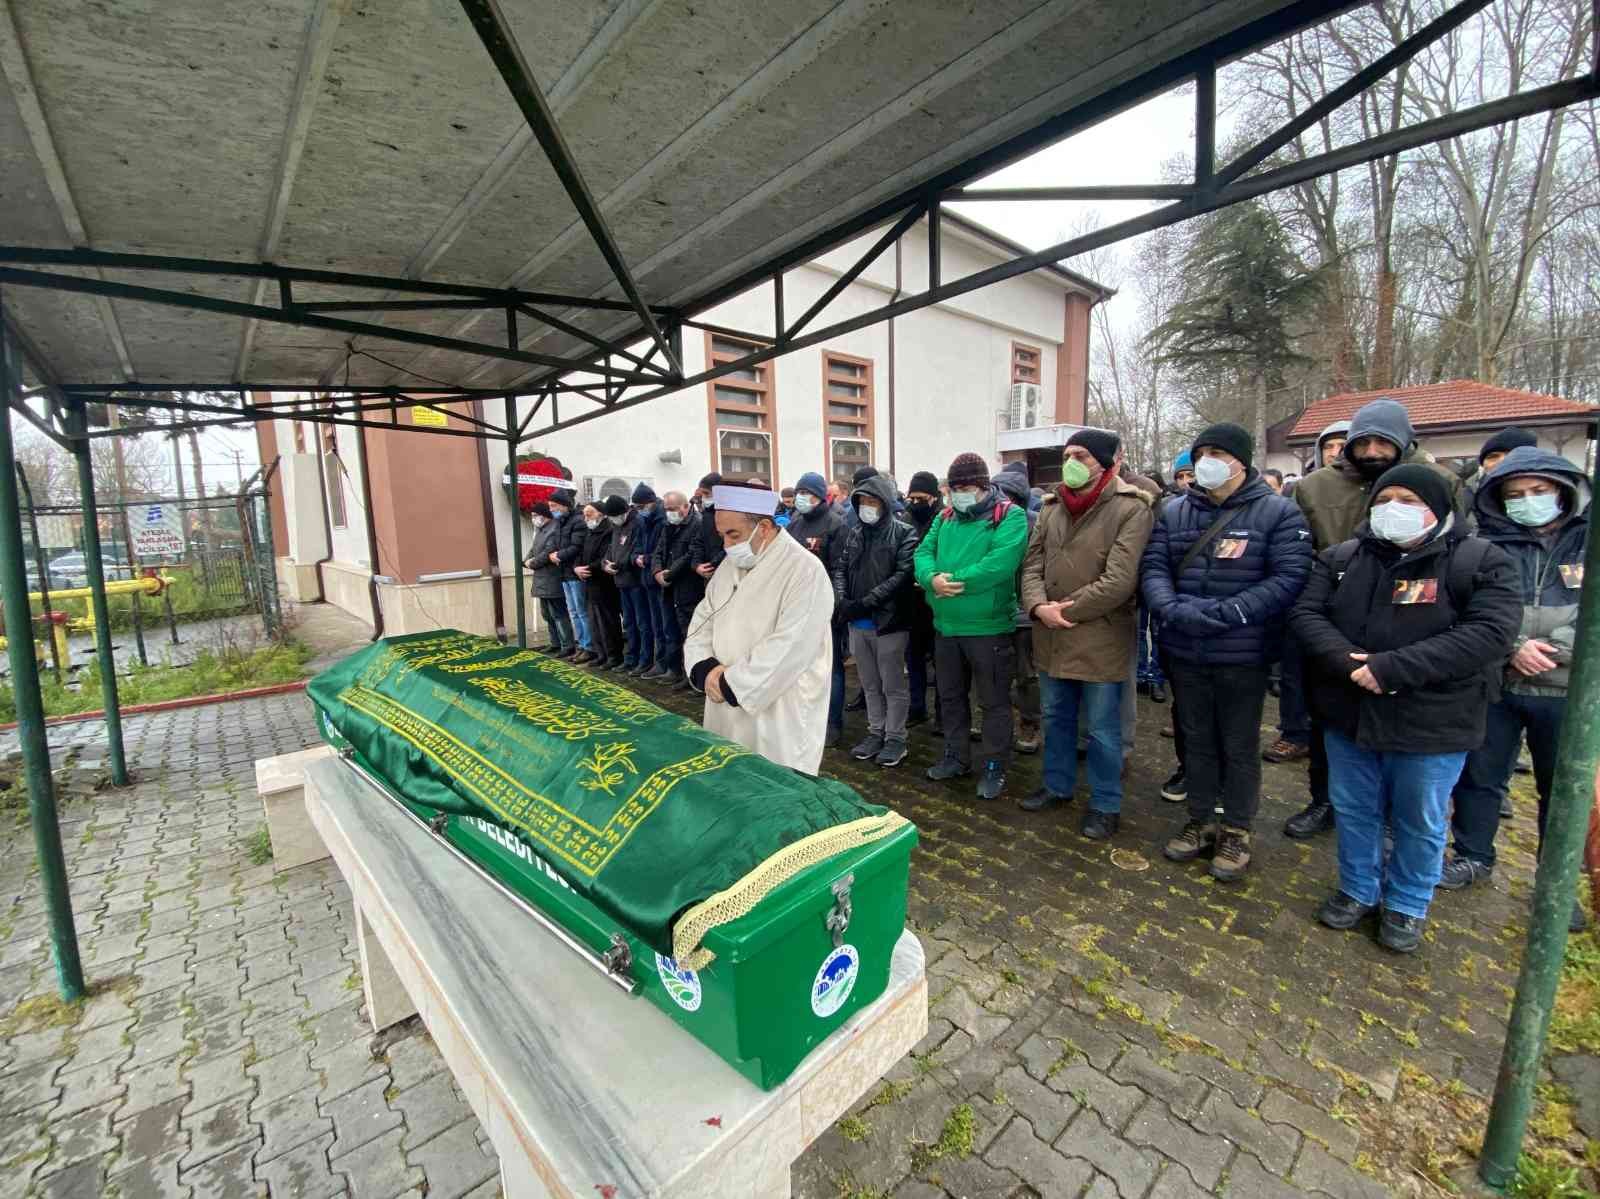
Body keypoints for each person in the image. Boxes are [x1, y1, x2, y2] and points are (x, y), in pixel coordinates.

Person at [1291, 464, 1519, 952]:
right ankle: (1357, 889)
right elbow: (1307, 614)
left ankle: (1407, 904)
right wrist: (1349, 663)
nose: (1393, 509)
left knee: (1420, 817)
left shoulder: (1479, 561)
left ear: (1438, 508)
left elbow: (1489, 634)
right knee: (1355, 808)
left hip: (1433, 721)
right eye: (1384, 498)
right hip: (1350, 712)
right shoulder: (1342, 558)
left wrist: (1390, 668)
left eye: (1409, 500)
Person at [1282, 400, 1464, 840]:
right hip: (1336, 620)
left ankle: (1394, 816)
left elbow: (1459, 546)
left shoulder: (1442, 481)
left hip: (1416, 618)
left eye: (1384, 441)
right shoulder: (1316, 486)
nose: (1373, 450)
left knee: (1405, 725)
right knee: (1329, 720)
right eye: (1363, 441)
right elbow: (1301, 551)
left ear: (1404, 441)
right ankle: (1324, 799)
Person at [1141, 423, 1312, 882]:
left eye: (1217, 453)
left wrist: (1229, 612)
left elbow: (1289, 578)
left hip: (1243, 651)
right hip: (1184, 648)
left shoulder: (1278, 513)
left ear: (1240, 460)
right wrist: (1173, 609)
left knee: (1237, 742)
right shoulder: (1175, 512)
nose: (1206, 462)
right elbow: (1154, 567)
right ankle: (1200, 818)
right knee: (1194, 737)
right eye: (1201, 453)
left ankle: (1237, 828)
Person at [1444, 446, 1591, 932]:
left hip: (1571, 686)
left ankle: (1556, 883)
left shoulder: (1589, 540)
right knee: (1481, 774)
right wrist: (1515, 645)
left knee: (1562, 790)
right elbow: (1468, 604)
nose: (1527, 501)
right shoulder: (1487, 543)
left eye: (1538, 492)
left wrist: (1558, 649)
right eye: (1516, 495)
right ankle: (1472, 854)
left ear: (1563, 491)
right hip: (1500, 676)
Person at [1020, 429, 1154, 839]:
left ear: (1104, 461)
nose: (1071, 462)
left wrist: (1065, 610)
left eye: (1080, 455)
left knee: (1102, 729)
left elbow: (1119, 581)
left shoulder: (1132, 509)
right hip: (1052, 635)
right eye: (1067, 455)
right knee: (1055, 718)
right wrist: (1039, 607)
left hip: (1100, 637)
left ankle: (1105, 803)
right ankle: (1057, 786)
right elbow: (1031, 566)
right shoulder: (1051, 506)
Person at [684, 483, 835, 774]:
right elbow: (702, 621)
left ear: (764, 527)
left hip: (776, 712)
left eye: (733, 535)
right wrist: (705, 669)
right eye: (721, 535)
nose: (726, 545)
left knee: (774, 788)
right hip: (721, 698)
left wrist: (731, 684)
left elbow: (791, 646)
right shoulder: (729, 566)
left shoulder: (805, 570)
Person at [915, 452, 1030, 801]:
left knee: (994, 702)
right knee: (950, 697)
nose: (956, 494)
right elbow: (922, 553)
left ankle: (995, 765)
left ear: (983, 487)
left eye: (964, 487)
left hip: (988, 627)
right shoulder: (945, 517)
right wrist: (930, 578)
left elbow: (999, 564)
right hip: (946, 626)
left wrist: (951, 581)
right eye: (952, 488)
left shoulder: (1010, 516)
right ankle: (956, 755)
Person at [832, 471, 918, 767]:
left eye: (872, 501)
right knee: (869, 683)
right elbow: (841, 568)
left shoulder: (904, 533)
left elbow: (902, 575)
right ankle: (875, 730)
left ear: (884, 502)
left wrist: (865, 603)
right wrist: (843, 599)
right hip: (859, 623)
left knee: (892, 684)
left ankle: (896, 738)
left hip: (888, 622)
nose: (867, 506)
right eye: (862, 501)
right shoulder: (855, 533)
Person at [788, 470, 847, 745]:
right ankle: (805, 718)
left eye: (806, 493)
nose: (801, 498)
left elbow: (839, 568)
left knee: (831, 669)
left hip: (825, 606)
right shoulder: (795, 522)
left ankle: (833, 724)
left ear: (819, 497)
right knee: (802, 665)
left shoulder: (835, 524)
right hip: (797, 604)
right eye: (799, 492)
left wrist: (833, 605)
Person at [995, 462, 1041, 755]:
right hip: (992, 610)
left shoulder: (1034, 524)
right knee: (993, 671)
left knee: (1027, 674)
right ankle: (997, 720)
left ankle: (1030, 722)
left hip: (1024, 613)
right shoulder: (987, 523)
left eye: (1003, 495)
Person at [650, 490, 704, 689]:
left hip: (687, 588)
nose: (669, 513)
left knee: (689, 634)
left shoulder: (696, 524)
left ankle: (693, 678)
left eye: (672, 509)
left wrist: (668, 574)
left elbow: (690, 555)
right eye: (666, 509)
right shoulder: (668, 526)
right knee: (671, 631)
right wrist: (657, 572)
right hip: (668, 589)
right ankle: (677, 671)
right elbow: (658, 551)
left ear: (685, 507)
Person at [902, 471, 942, 727]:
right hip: (912, 601)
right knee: (913, 657)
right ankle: (917, 707)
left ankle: (942, 714)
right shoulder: (906, 519)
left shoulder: (944, 519)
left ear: (934, 497)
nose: (915, 503)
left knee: (942, 663)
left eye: (921, 498)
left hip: (937, 600)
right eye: (912, 497)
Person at [605, 491, 653, 676]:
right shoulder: (616, 526)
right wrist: (605, 563)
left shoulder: (637, 523)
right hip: (621, 581)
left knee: (642, 623)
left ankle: (644, 659)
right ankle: (631, 658)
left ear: (623, 512)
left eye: (614, 516)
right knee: (629, 623)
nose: (613, 520)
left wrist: (618, 564)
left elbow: (635, 551)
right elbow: (612, 549)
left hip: (636, 582)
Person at [576, 501, 624, 668]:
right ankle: (601, 653)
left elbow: (605, 557)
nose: (586, 518)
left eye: (589, 514)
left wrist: (588, 568)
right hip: (590, 583)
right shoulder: (590, 532)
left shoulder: (608, 531)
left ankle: (613, 655)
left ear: (601, 514)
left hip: (604, 584)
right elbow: (581, 553)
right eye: (584, 515)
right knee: (594, 622)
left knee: (608, 622)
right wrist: (577, 568)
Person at [548, 490, 594, 663]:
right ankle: (581, 645)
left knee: (581, 612)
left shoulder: (577, 521)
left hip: (574, 573)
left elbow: (576, 546)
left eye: (554, 506)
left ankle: (588, 646)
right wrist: (554, 554)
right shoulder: (560, 522)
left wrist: (558, 555)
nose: (552, 509)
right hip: (564, 573)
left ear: (564, 505)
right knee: (573, 612)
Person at [525, 501, 574, 657]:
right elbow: (533, 549)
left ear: (543, 515)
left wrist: (532, 562)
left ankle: (567, 645)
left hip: (552, 578)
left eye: (535, 515)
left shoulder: (553, 529)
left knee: (558, 614)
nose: (533, 518)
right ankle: (555, 643)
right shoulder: (540, 530)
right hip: (541, 579)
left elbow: (548, 551)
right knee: (547, 614)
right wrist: (526, 560)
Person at [1462, 426, 1538, 513]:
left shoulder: (1549, 496)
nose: (1502, 461)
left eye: (1513, 455)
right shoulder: (1465, 499)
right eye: (1493, 456)